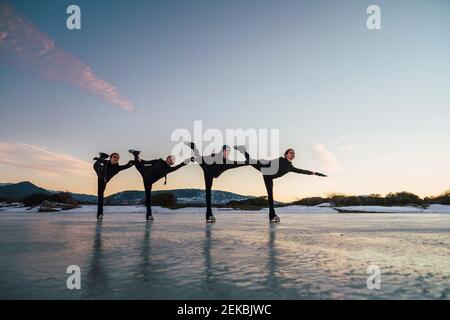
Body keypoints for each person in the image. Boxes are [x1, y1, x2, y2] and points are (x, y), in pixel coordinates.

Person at [243, 148, 327, 223]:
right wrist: (260, 162)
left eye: (294, 153)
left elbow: (302, 171)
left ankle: (272, 216)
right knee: (250, 161)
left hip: (269, 177)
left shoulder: (290, 167)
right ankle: (242, 151)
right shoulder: (281, 159)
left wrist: (316, 173)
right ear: (286, 155)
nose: (293, 154)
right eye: (291, 153)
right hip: (265, 169)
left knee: (270, 196)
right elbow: (271, 162)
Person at [186, 142, 249, 223]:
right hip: (207, 169)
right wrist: (194, 158)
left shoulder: (228, 162)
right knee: (208, 191)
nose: (227, 153)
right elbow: (202, 157)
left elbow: (244, 162)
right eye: (225, 151)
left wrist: (243, 152)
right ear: (222, 151)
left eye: (228, 151)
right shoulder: (214, 156)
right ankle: (209, 214)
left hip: (213, 172)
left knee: (247, 162)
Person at [129, 149, 190, 221]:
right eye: (170, 158)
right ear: (167, 158)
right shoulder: (158, 161)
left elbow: (180, 166)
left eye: (172, 161)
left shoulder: (169, 169)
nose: (170, 160)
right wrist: (141, 161)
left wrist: (187, 161)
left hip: (148, 181)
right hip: (145, 171)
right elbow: (147, 162)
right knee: (137, 163)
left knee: (148, 198)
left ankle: (149, 215)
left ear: (172, 163)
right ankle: (136, 154)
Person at [92, 152, 134, 220]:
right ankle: (102, 156)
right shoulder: (106, 162)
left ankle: (100, 214)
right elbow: (102, 161)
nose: (116, 158)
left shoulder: (117, 168)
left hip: (103, 180)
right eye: (114, 156)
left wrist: (131, 162)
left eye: (118, 157)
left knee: (100, 195)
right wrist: (98, 158)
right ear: (110, 158)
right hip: (99, 170)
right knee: (95, 165)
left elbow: (126, 166)